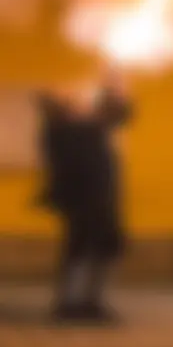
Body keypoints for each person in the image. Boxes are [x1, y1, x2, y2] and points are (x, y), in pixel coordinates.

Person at [35, 69, 133, 323]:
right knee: (80, 250)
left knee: (99, 250)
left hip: (98, 199)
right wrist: (113, 91)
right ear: (63, 109)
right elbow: (110, 117)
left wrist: (116, 89)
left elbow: (116, 116)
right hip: (85, 200)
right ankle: (71, 303)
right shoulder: (63, 130)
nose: (81, 102)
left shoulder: (75, 128)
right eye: (72, 100)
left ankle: (89, 302)